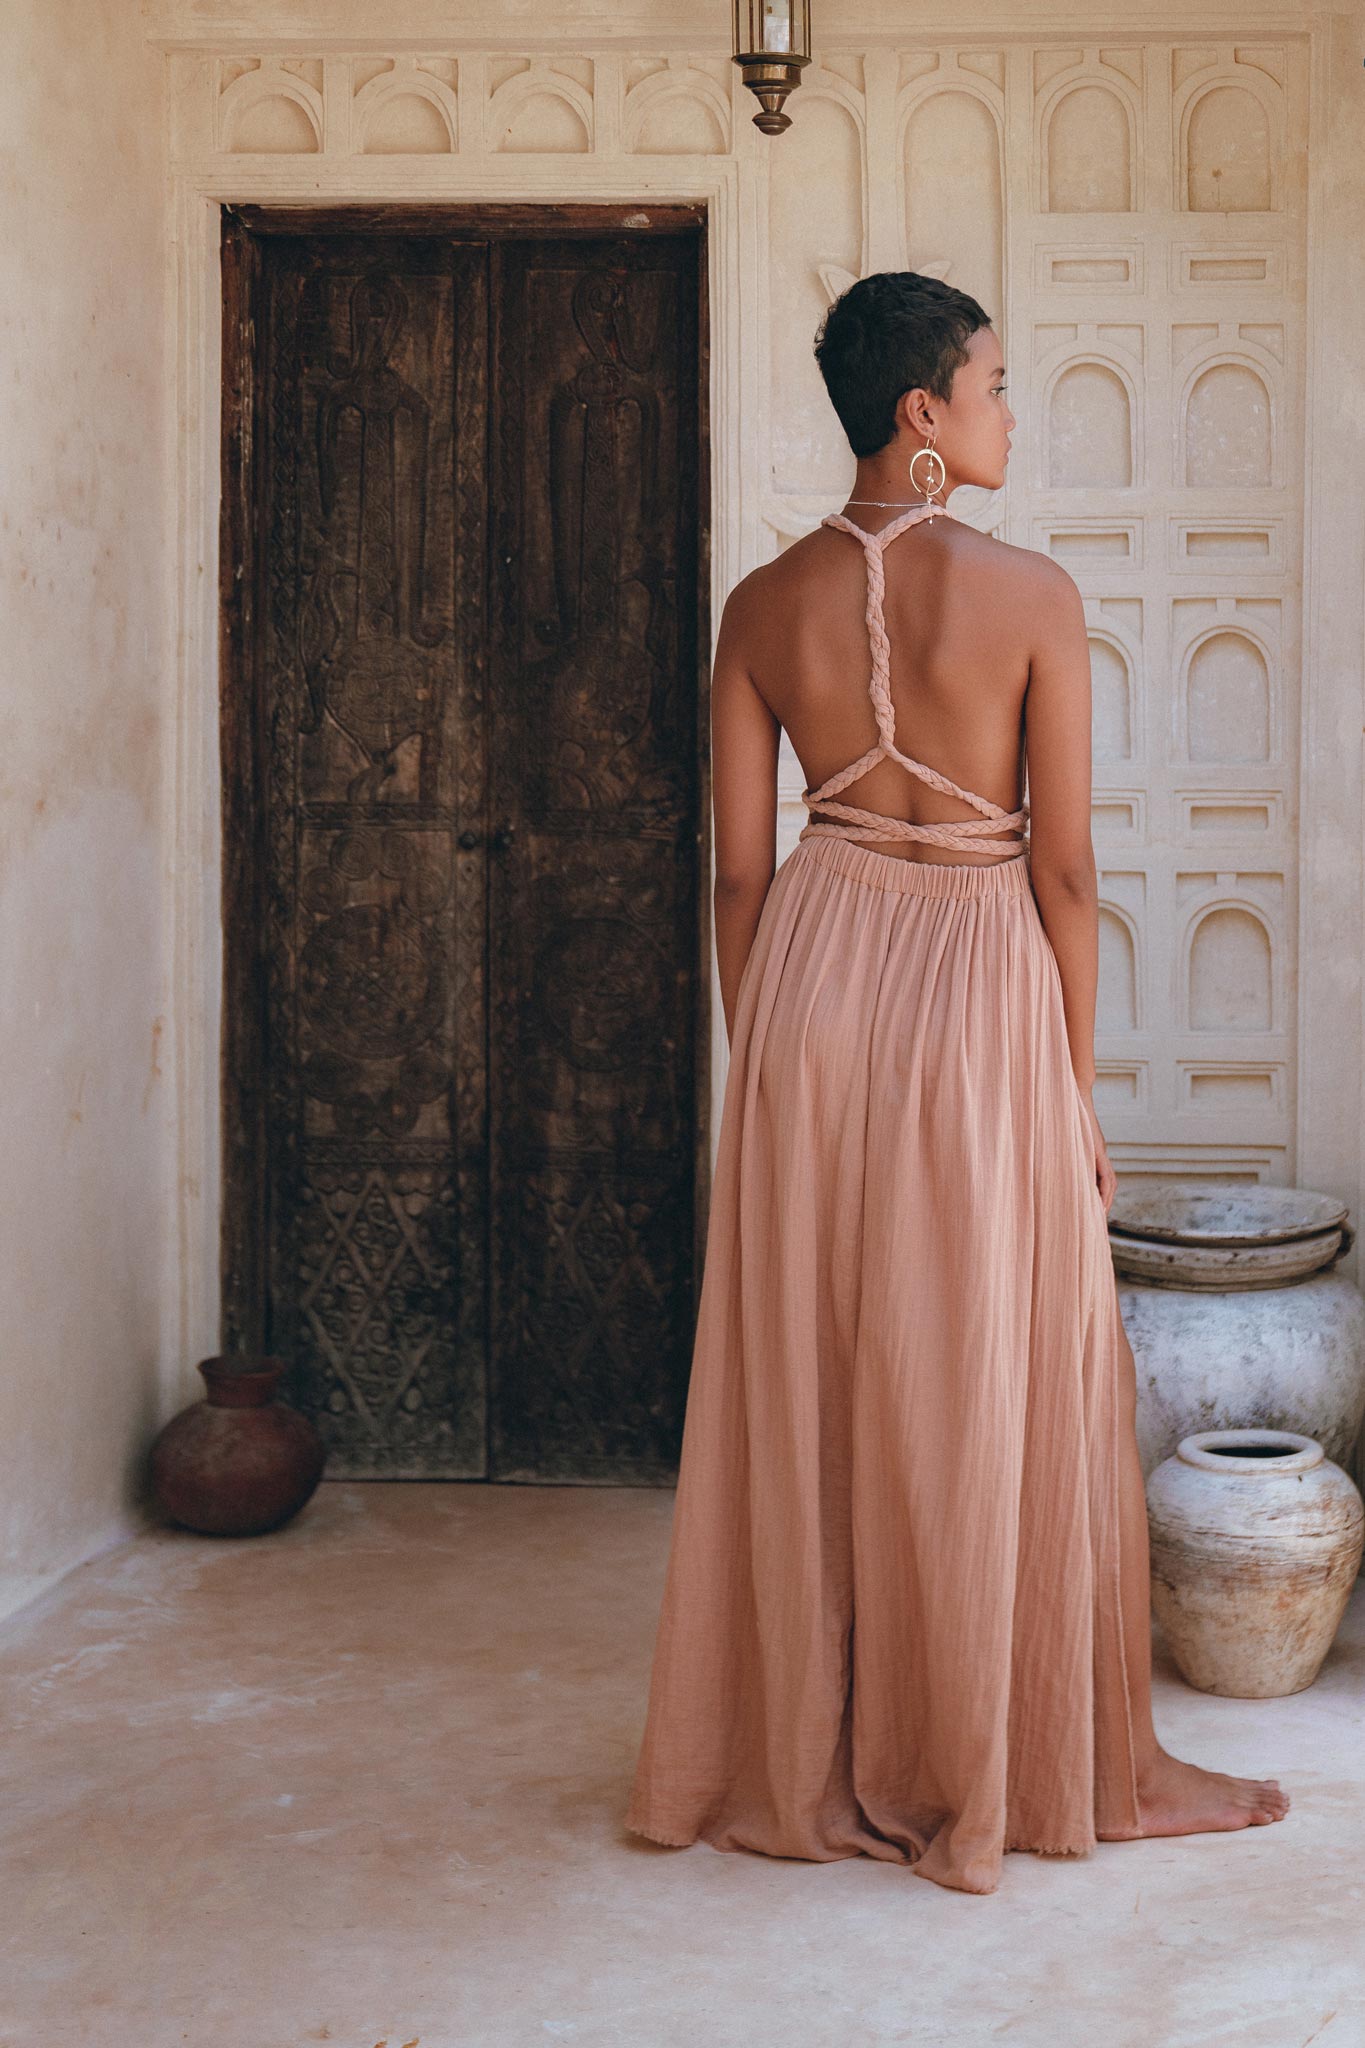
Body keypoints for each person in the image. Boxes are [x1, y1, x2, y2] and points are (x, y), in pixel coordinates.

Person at [624, 271, 1289, 1895]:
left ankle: (817, 1755)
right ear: (919, 417)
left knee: (828, 1364)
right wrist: (1072, 1092)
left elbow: (730, 878)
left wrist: (763, 1055)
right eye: (990, 386)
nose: (1005, 412)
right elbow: (1064, 871)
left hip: (813, 980)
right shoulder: (1029, 595)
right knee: (1000, 1359)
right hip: (981, 980)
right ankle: (1036, 1759)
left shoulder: (758, 605)